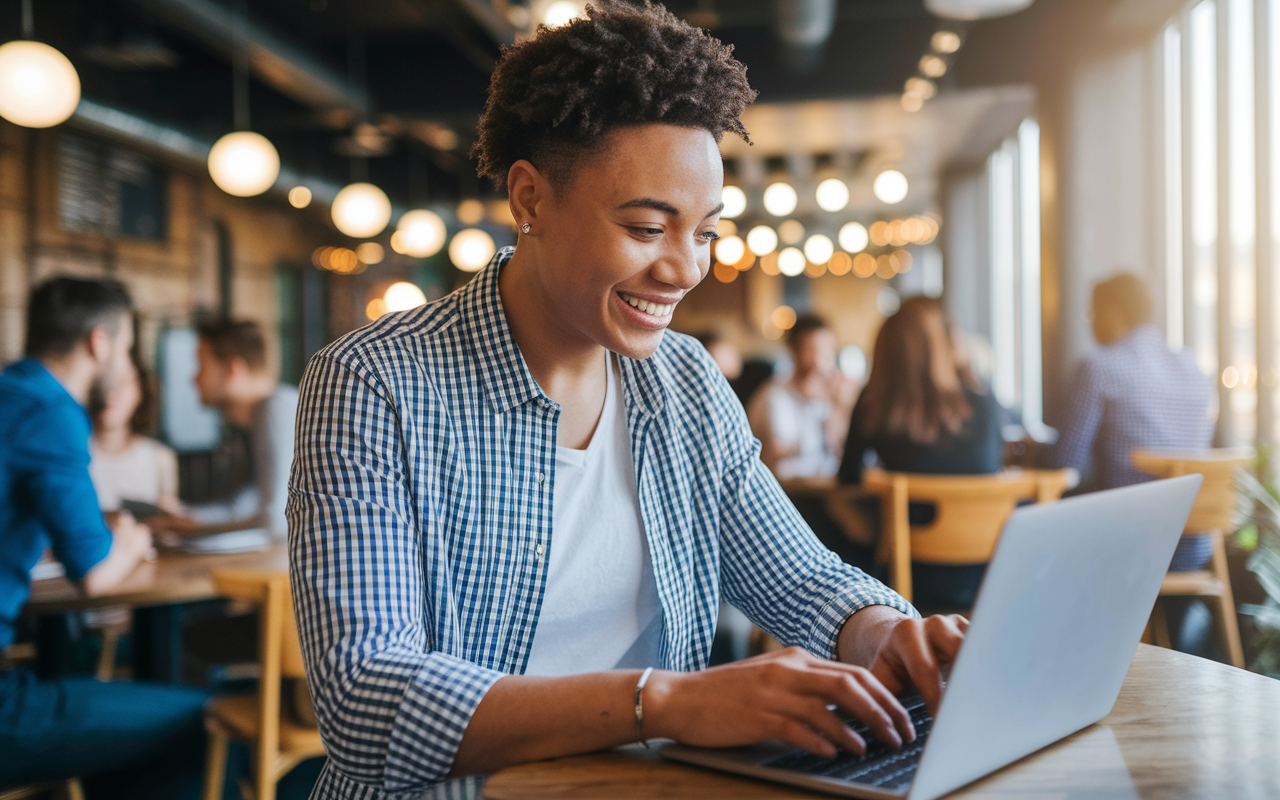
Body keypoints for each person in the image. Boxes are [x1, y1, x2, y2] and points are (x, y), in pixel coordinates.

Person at [289, 6, 966, 799]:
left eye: (706, 232)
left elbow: (800, 577)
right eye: (648, 227)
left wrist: (884, 631)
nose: (686, 270)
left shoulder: (684, 380)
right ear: (530, 199)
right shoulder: (375, 382)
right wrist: (665, 702)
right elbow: (365, 702)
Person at [0, 277, 209, 797]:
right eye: (128, 349)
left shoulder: (11, 394)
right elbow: (95, 574)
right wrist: (135, 540)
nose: (126, 363)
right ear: (100, 342)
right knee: (202, 722)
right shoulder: (52, 411)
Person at [838, 297, 1005, 609]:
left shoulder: (875, 404)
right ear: (943, 344)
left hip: (908, 578)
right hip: (990, 574)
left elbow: (848, 479)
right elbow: (995, 466)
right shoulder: (983, 401)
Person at [1051, 273, 1214, 570]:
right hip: (1195, 546)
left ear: (1113, 312)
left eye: (1093, 313)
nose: (1090, 322)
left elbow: (1065, 463)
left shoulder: (1099, 367)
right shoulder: (1194, 368)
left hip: (1129, 547)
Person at [180, 319, 298, 538]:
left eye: (201, 365)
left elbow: (276, 520)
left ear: (233, 370)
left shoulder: (276, 409)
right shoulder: (252, 422)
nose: (194, 378)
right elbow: (243, 505)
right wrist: (187, 517)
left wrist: (197, 529)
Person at [747, 314, 858, 480]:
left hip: (826, 490)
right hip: (792, 493)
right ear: (793, 351)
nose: (819, 362)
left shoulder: (829, 397)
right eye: (812, 351)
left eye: (827, 352)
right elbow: (779, 455)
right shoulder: (774, 396)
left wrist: (843, 407)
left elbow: (843, 451)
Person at [88, 357, 181, 515]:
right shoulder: (69, 455)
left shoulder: (159, 459)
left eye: (123, 381)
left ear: (140, 392)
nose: (112, 392)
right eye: (105, 380)